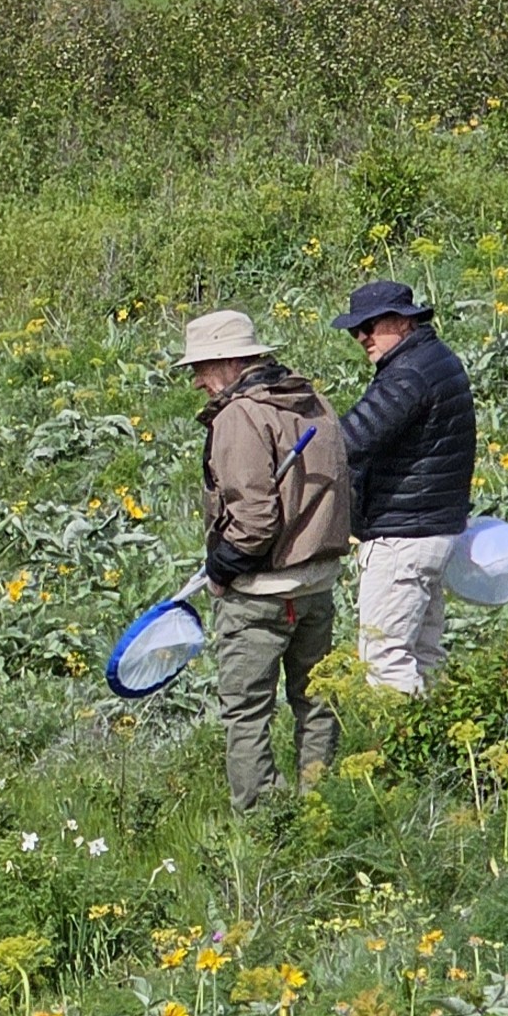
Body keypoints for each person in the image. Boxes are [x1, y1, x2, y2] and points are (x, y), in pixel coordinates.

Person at [181, 310, 356, 810]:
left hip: (259, 595)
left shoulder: (239, 417)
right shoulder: (312, 402)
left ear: (231, 360)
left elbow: (255, 522)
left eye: (202, 368)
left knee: (247, 712)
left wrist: (221, 568)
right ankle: (319, 802)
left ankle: (265, 820)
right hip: (317, 584)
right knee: (318, 702)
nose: (198, 382)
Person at [333, 278, 477, 694]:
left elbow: (351, 440)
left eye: (370, 326)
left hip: (402, 535)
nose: (361, 337)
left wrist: (294, 455)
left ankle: (402, 755)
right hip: (433, 529)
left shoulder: (408, 374)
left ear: (403, 322)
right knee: (424, 656)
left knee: (385, 660)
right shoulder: (435, 360)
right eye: (356, 329)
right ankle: (437, 745)